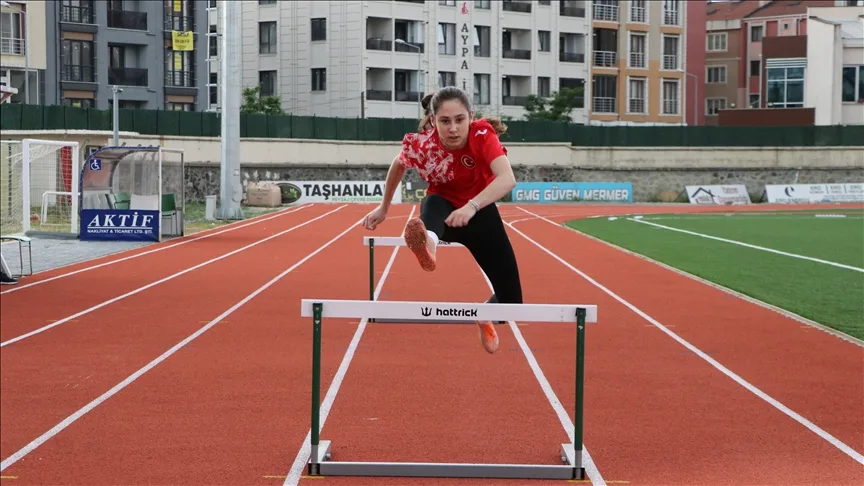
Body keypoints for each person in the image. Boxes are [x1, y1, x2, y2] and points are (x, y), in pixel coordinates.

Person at [363, 86, 523, 354]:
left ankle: (484, 316)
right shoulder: (424, 144)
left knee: (512, 303)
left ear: (470, 117)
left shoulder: (482, 135)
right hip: (443, 213)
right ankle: (428, 242)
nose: (453, 129)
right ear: (433, 121)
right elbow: (398, 165)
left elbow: (508, 178)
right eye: (445, 121)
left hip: (479, 213)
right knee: (432, 202)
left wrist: (471, 207)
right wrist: (384, 208)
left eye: (460, 120)